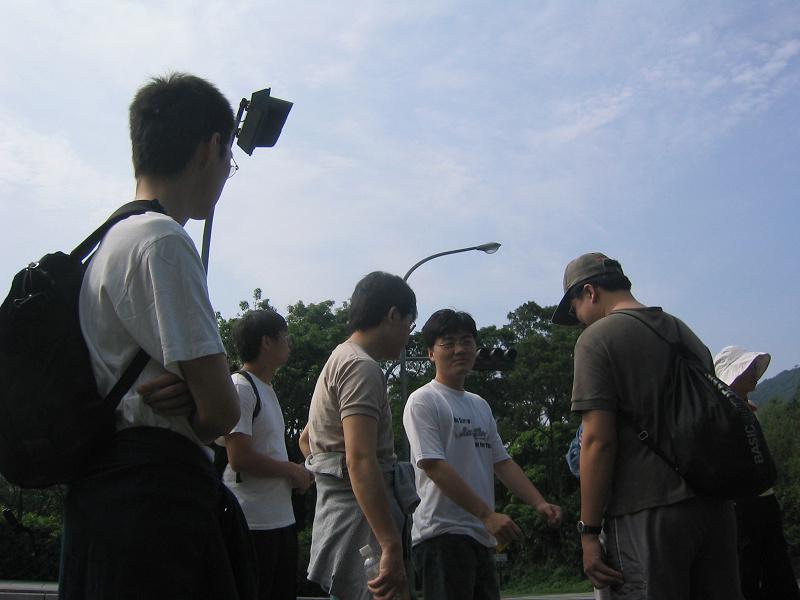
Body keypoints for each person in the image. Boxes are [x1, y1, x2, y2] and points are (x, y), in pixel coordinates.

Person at [62, 73, 254, 600]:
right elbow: (222, 410)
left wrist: (194, 392)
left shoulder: (109, 242)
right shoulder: (162, 241)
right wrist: (201, 397)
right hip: (155, 506)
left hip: (107, 495)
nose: (226, 174)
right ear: (211, 147)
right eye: (230, 159)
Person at [552, 252, 742, 600]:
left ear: (590, 292)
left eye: (576, 310)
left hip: (646, 512)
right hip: (715, 507)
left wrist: (588, 532)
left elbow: (597, 442)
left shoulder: (597, 339)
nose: (580, 321)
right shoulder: (684, 333)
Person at [402, 308, 562, 600]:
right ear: (431, 353)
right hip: (441, 536)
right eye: (448, 343)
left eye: (466, 341)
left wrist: (539, 502)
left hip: (481, 535)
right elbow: (433, 465)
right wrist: (487, 515)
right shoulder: (423, 400)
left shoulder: (479, 404)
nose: (459, 349)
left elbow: (502, 462)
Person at [303, 271, 417, 600]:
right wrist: (389, 544)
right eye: (409, 324)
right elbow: (361, 458)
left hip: (340, 518)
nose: (408, 336)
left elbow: (306, 440)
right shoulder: (361, 366)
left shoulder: (339, 358)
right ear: (393, 315)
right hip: (363, 526)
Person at [219, 309, 315, 600]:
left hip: (279, 519)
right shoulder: (241, 387)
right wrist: (292, 470)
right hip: (252, 523)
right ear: (266, 342)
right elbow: (239, 457)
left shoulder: (265, 389)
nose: (289, 342)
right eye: (284, 336)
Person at [714, 345, 800, 600]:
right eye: (748, 369)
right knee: (747, 573)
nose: (754, 373)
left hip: (764, 499)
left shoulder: (746, 409)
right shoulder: (722, 413)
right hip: (742, 505)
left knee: (778, 571)